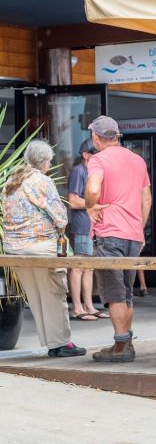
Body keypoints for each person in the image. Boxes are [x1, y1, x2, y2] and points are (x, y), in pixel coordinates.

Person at [2, 140, 86, 357]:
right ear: (45, 162)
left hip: (13, 248)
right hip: (40, 246)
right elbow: (60, 217)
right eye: (49, 160)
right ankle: (60, 344)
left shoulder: (10, 180)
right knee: (54, 294)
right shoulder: (42, 181)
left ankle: (51, 342)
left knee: (36, 295)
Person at [85, 115, 152, 363]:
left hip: (110, 233)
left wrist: (91, 206)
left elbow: (93, 188)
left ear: (96, 137)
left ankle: (121, 347)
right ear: (117, 136)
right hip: (133, 235)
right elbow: (147, 199)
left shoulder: (98, 159)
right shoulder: (137, 160)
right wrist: (139, 228)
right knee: (126, 293)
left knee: (114, 294)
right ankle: (126, 343)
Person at [66, 139, 108, 321]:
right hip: (82, 224)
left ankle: (88, 305)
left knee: (88, 268)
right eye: (94, 153)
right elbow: (73, 200)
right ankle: (77, 307)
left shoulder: (91, 172)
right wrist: (95, 204)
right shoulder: (79, 171)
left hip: (90, 225)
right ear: (85, 155)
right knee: (78, 267)